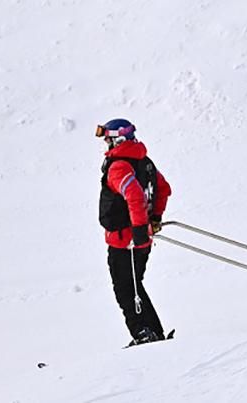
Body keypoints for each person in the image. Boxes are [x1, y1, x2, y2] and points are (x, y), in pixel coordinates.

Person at [97, 118, 173, 346]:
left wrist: (140, 228)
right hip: (140, 240)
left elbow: (135, 195)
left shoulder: (119, 166)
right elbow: (163, 189)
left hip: (125, 242)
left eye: (108, 140)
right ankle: (153, 332)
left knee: (125, 289)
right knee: (134, 285)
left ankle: (143, 334)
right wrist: (155, 218)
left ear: (118, 140)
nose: (106, 145)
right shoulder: (144, 161)